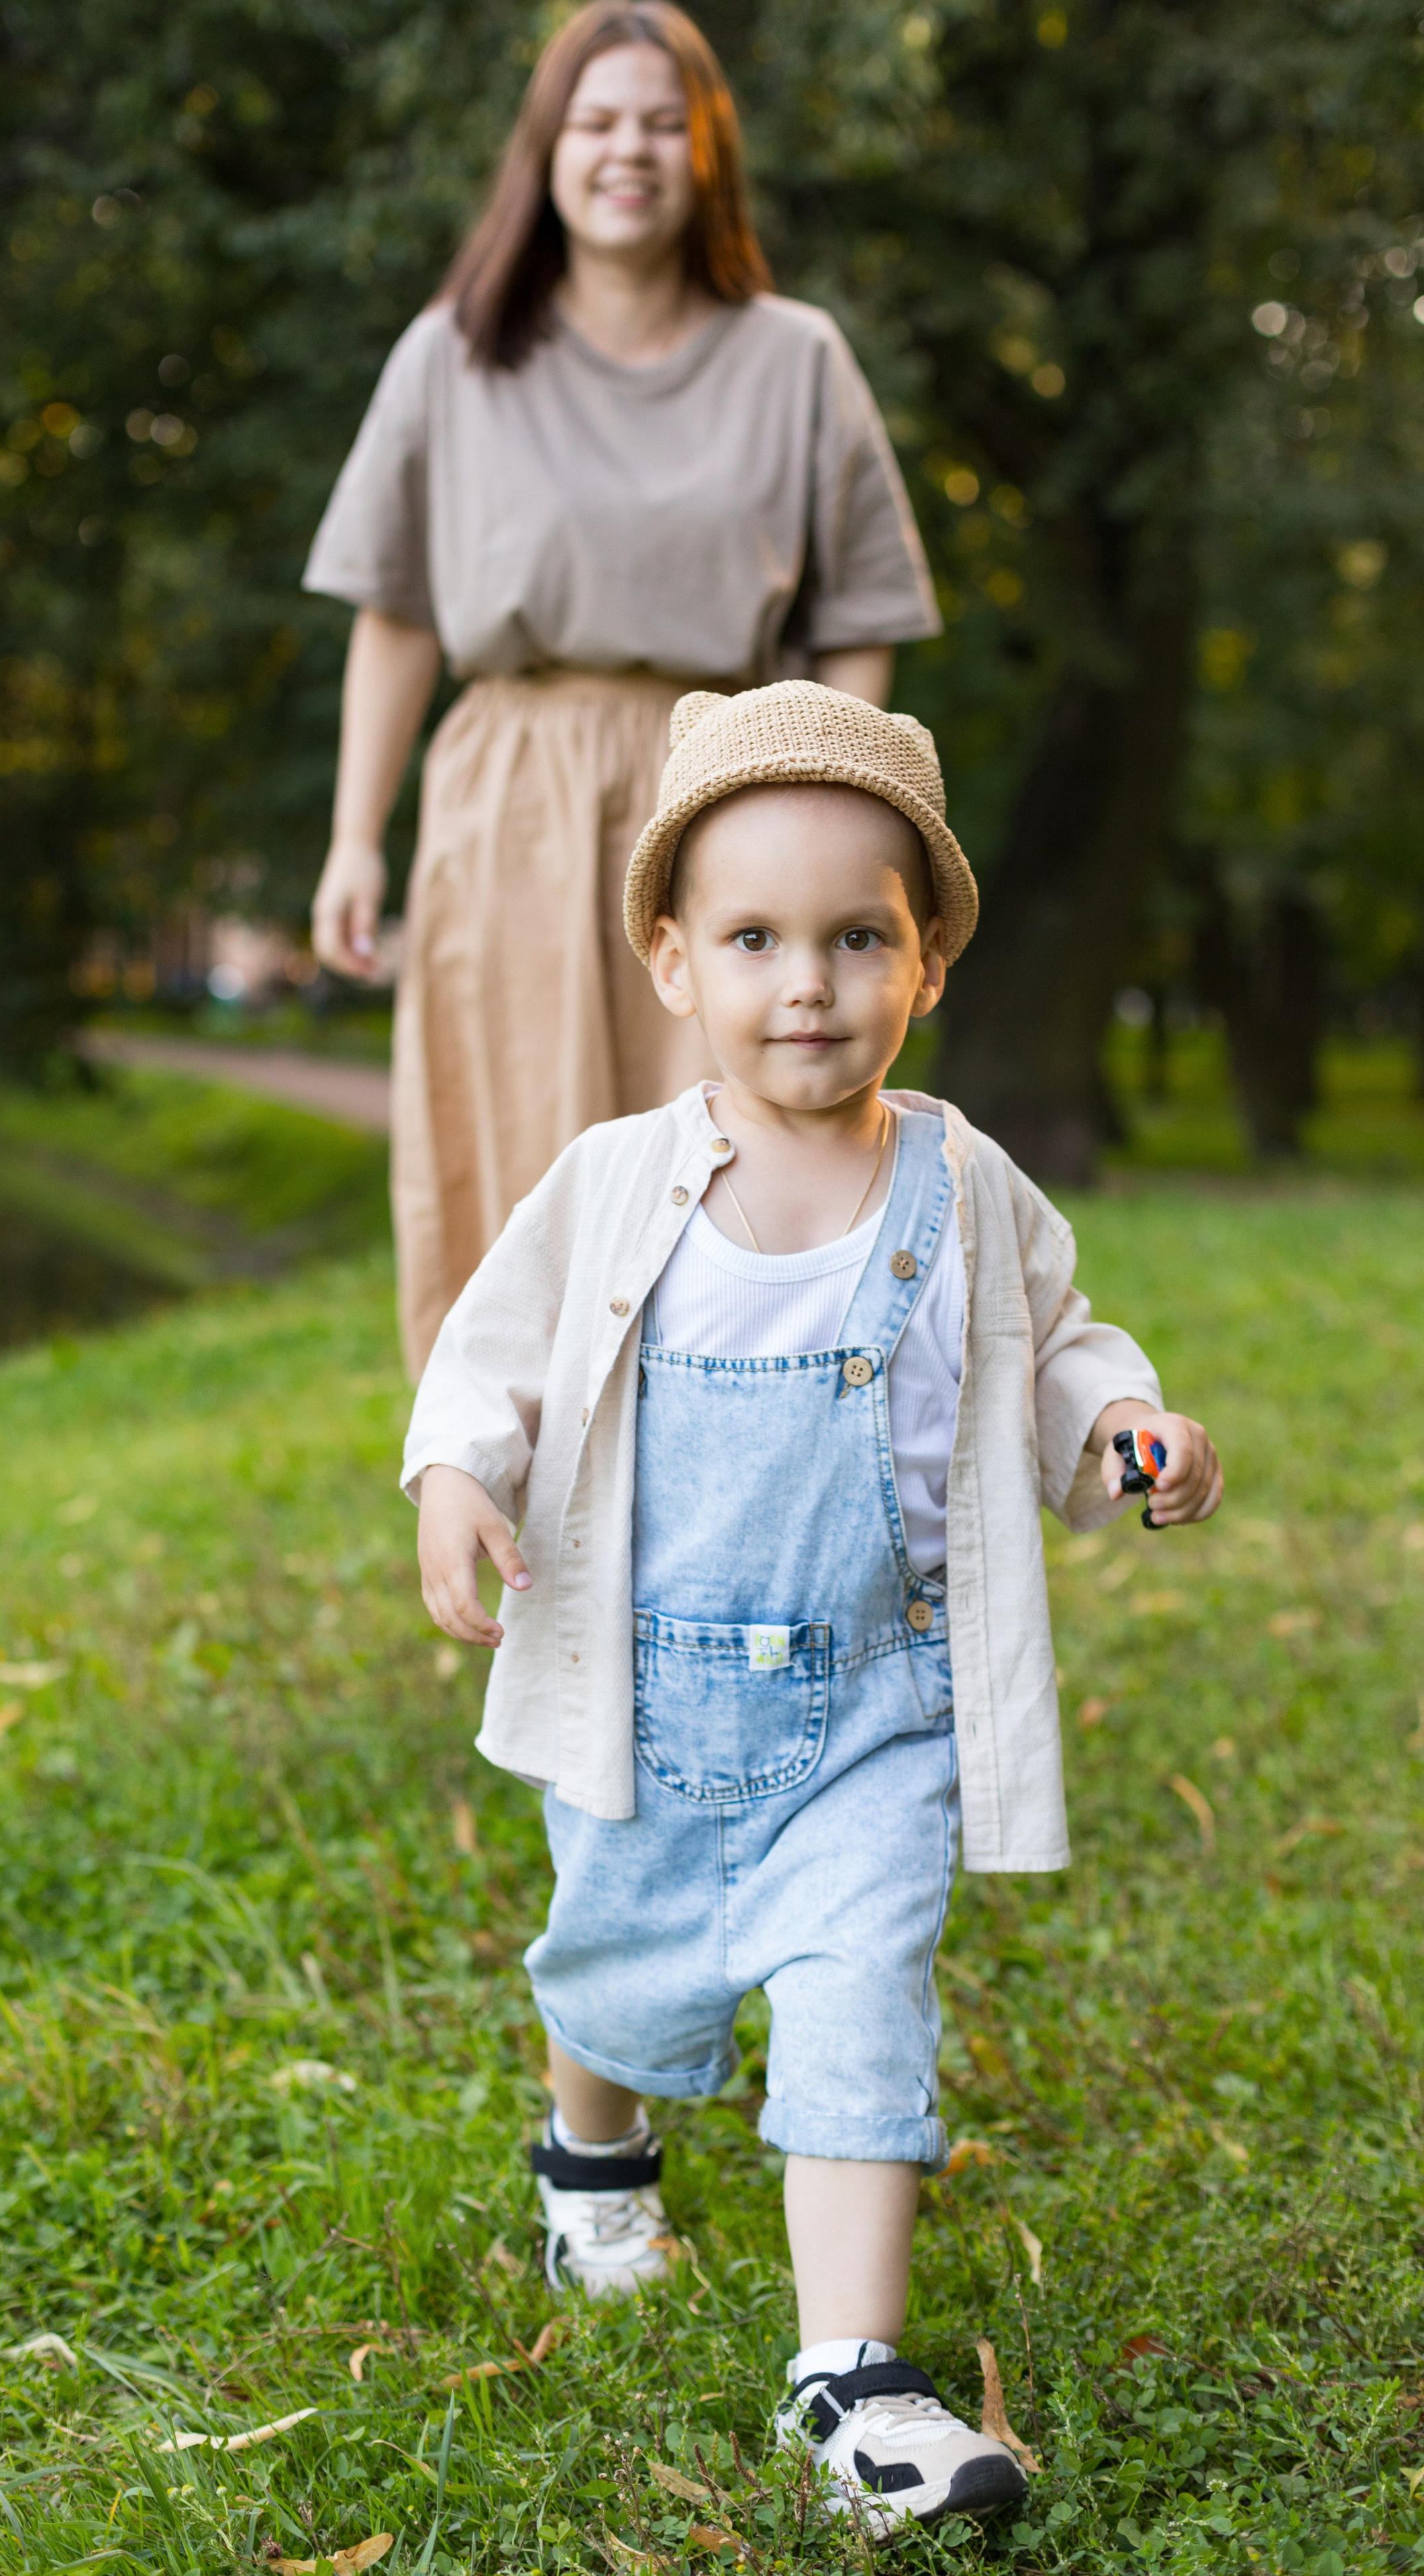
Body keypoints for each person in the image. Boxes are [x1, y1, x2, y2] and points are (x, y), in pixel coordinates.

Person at [401, 682, 1223, 2532]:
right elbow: (498, 1351)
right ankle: (593, 2165)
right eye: (757, 939)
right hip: (643, 1687)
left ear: (924, 957)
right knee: (617, 1961)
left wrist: (1125, 1424)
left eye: (861, 936)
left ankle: (852, 2375)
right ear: (674, 959)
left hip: (878, 1707)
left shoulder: (963, 1186)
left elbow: (1055, 1354)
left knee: (865, 1999)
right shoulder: (618, 1184)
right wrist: (460, 1467)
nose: (810, 984)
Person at [303, 1, 940, 1377]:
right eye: (596, 122)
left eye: (663, 122)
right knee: (521, 1147)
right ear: (544, 151)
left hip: (727, 794)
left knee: (731, 1155)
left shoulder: (794, 357)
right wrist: (356, 838)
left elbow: (862, 619)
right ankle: (510, 1506)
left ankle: (735, 1487)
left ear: (706, 152)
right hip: (511, 788)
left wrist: (826, 810)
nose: (627, 151)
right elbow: (397, 612)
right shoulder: (453, 357)